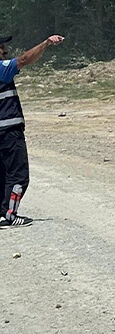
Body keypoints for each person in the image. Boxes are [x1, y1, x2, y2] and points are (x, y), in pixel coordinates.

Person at [0, 32, 64, 227]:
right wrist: (45, 43)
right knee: (19, 175)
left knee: (3, 174)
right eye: (1, 46)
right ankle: (9, 215)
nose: (4, 49)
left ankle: (2, 212)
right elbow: (24, 59)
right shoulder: (1, 69)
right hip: (8, 131)